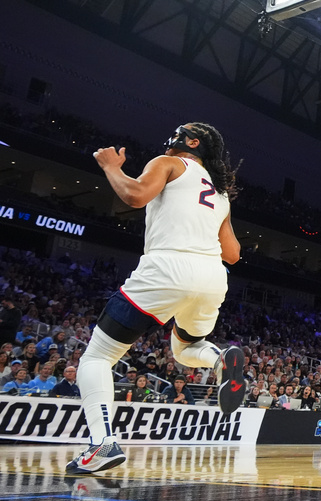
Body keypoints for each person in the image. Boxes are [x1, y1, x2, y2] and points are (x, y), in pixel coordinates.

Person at [66, 122, 245, 475]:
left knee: (97, 358)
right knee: (185, 349)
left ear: (192, 142)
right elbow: (234, 253)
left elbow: (135, 196)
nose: (170, 135)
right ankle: (220, 360)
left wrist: (111, 167)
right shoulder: (220, 194)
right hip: (212, 277)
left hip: (167, 268)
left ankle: (103, 444)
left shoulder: (168, 162)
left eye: (180, 131)